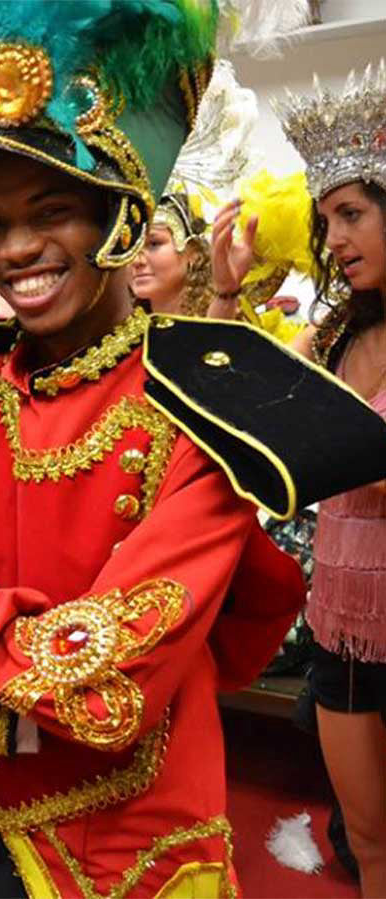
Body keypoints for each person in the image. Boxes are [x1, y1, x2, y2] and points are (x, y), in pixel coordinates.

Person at [0, 2, 386, 897]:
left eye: (52, 211)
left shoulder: (200, 415)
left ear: (121, 217)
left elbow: (104, 683)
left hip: (135, 857)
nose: (18, 249)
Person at [217, 61, 386, 897]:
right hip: (343, 627)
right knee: (365, 836)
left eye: (352, 214)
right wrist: (222, 293)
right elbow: (241, 417)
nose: (337, 240)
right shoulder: (329, 337)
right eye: (327, 222)